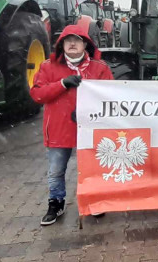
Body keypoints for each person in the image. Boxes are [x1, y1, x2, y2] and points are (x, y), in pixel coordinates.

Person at [31, 25, 114, 225]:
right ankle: (56, 203)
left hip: (90, 128)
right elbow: (37, 94)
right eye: (68, 41)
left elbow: (111, 95)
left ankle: (93, 201)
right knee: (56, 170)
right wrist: (62, 84)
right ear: (62, 45)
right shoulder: (48, 67)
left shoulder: (99, 68)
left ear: (85, 44)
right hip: (60, 128)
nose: (73, 44)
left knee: (92, 168)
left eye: (77, 40)